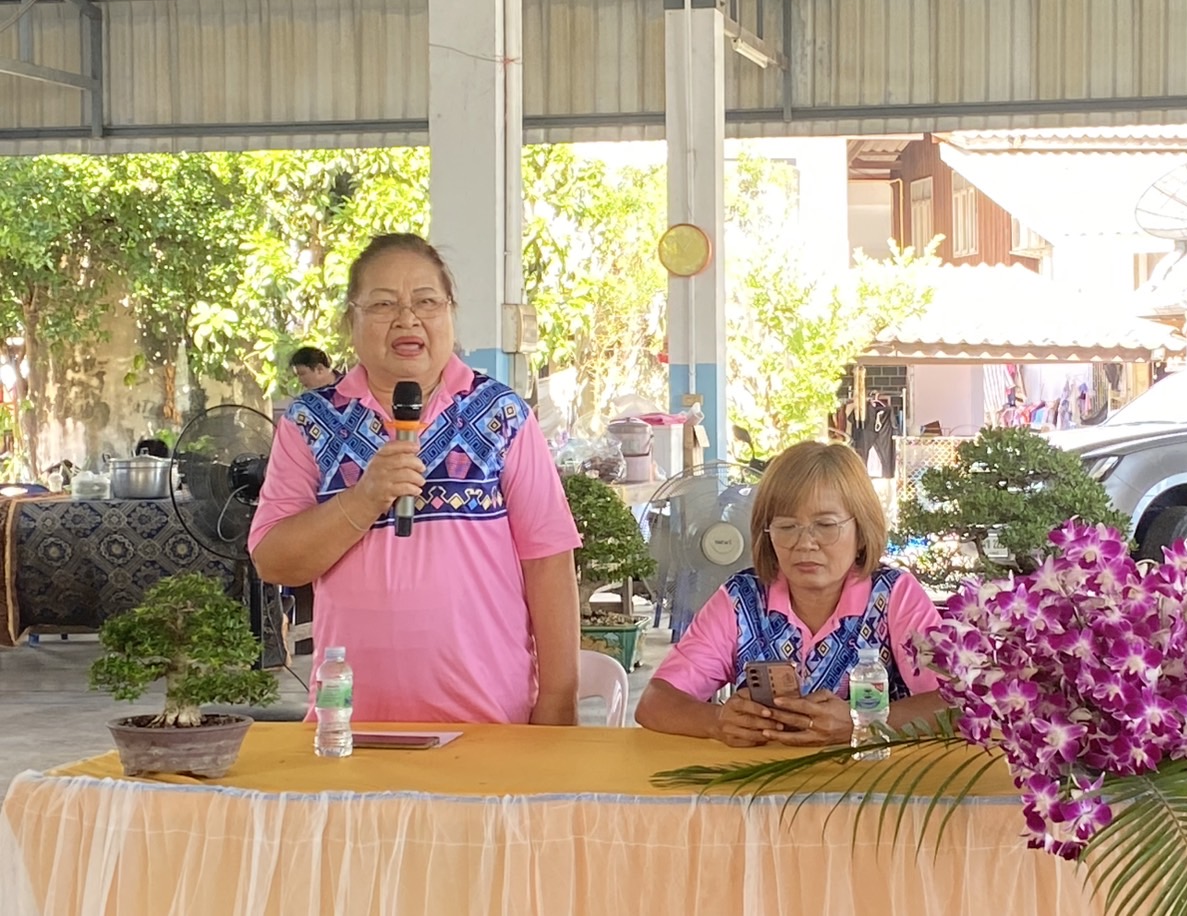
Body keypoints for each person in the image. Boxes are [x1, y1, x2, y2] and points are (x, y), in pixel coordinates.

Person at [249, 234, 581, 725]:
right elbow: (274, 560)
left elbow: (548, 562)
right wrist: (364, 500)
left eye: (426, 301)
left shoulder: (503, 414)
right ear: (351, 320)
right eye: (384, 304)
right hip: (352, 728)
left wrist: (557, 702)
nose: (407, 319)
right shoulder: (309, 421)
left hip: (490, 724)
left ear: (450, 313)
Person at [635, 441, 947, 746]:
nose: (805, 543)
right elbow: (654, 702)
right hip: (759, 778)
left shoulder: (895, 595)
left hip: (873, 777)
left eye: (826, 525)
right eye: (786, 527)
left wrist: (864, 722)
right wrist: (716, 721)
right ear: (766, 534)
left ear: (862, 532)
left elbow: (956, 702)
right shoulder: (740, 599)